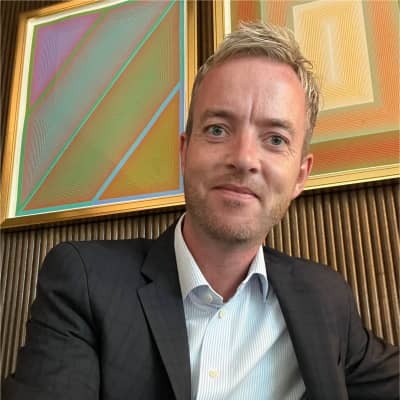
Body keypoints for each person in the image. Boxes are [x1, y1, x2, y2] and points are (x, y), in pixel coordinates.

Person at [3, 22, 399, 400]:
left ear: (300, 175)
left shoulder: (325, 297)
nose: (244, 159)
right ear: (184, 152)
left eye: (275, 139)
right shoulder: (84, 281)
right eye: (217, 130)